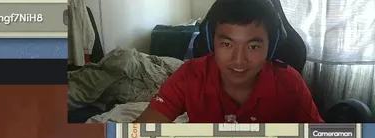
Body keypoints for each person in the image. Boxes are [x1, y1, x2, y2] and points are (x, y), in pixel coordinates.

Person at [136, 0, 323, 123]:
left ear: (271, 47)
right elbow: (139, 134)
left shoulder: (289, 82)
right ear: (211, 42)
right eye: (227, 44)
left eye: (253, 47)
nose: (239, 60)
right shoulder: (190, 75)